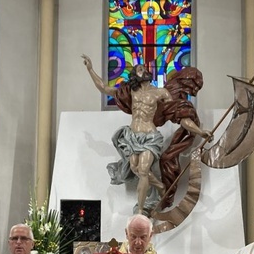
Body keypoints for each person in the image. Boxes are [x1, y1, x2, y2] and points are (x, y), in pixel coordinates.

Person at [82, 55, 212, 214]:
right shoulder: (129, 91)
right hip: (132, 136)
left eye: (144, 68)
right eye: (140, 68)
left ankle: (140, 211)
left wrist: (200, 132)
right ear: (135, 75)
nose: (144, 69)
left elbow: (178, 113)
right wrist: (90, 69)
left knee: (143, 170)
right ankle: (159, 185)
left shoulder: (161, 93)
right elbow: (104, 87)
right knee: (135, 168)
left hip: (150, 136)